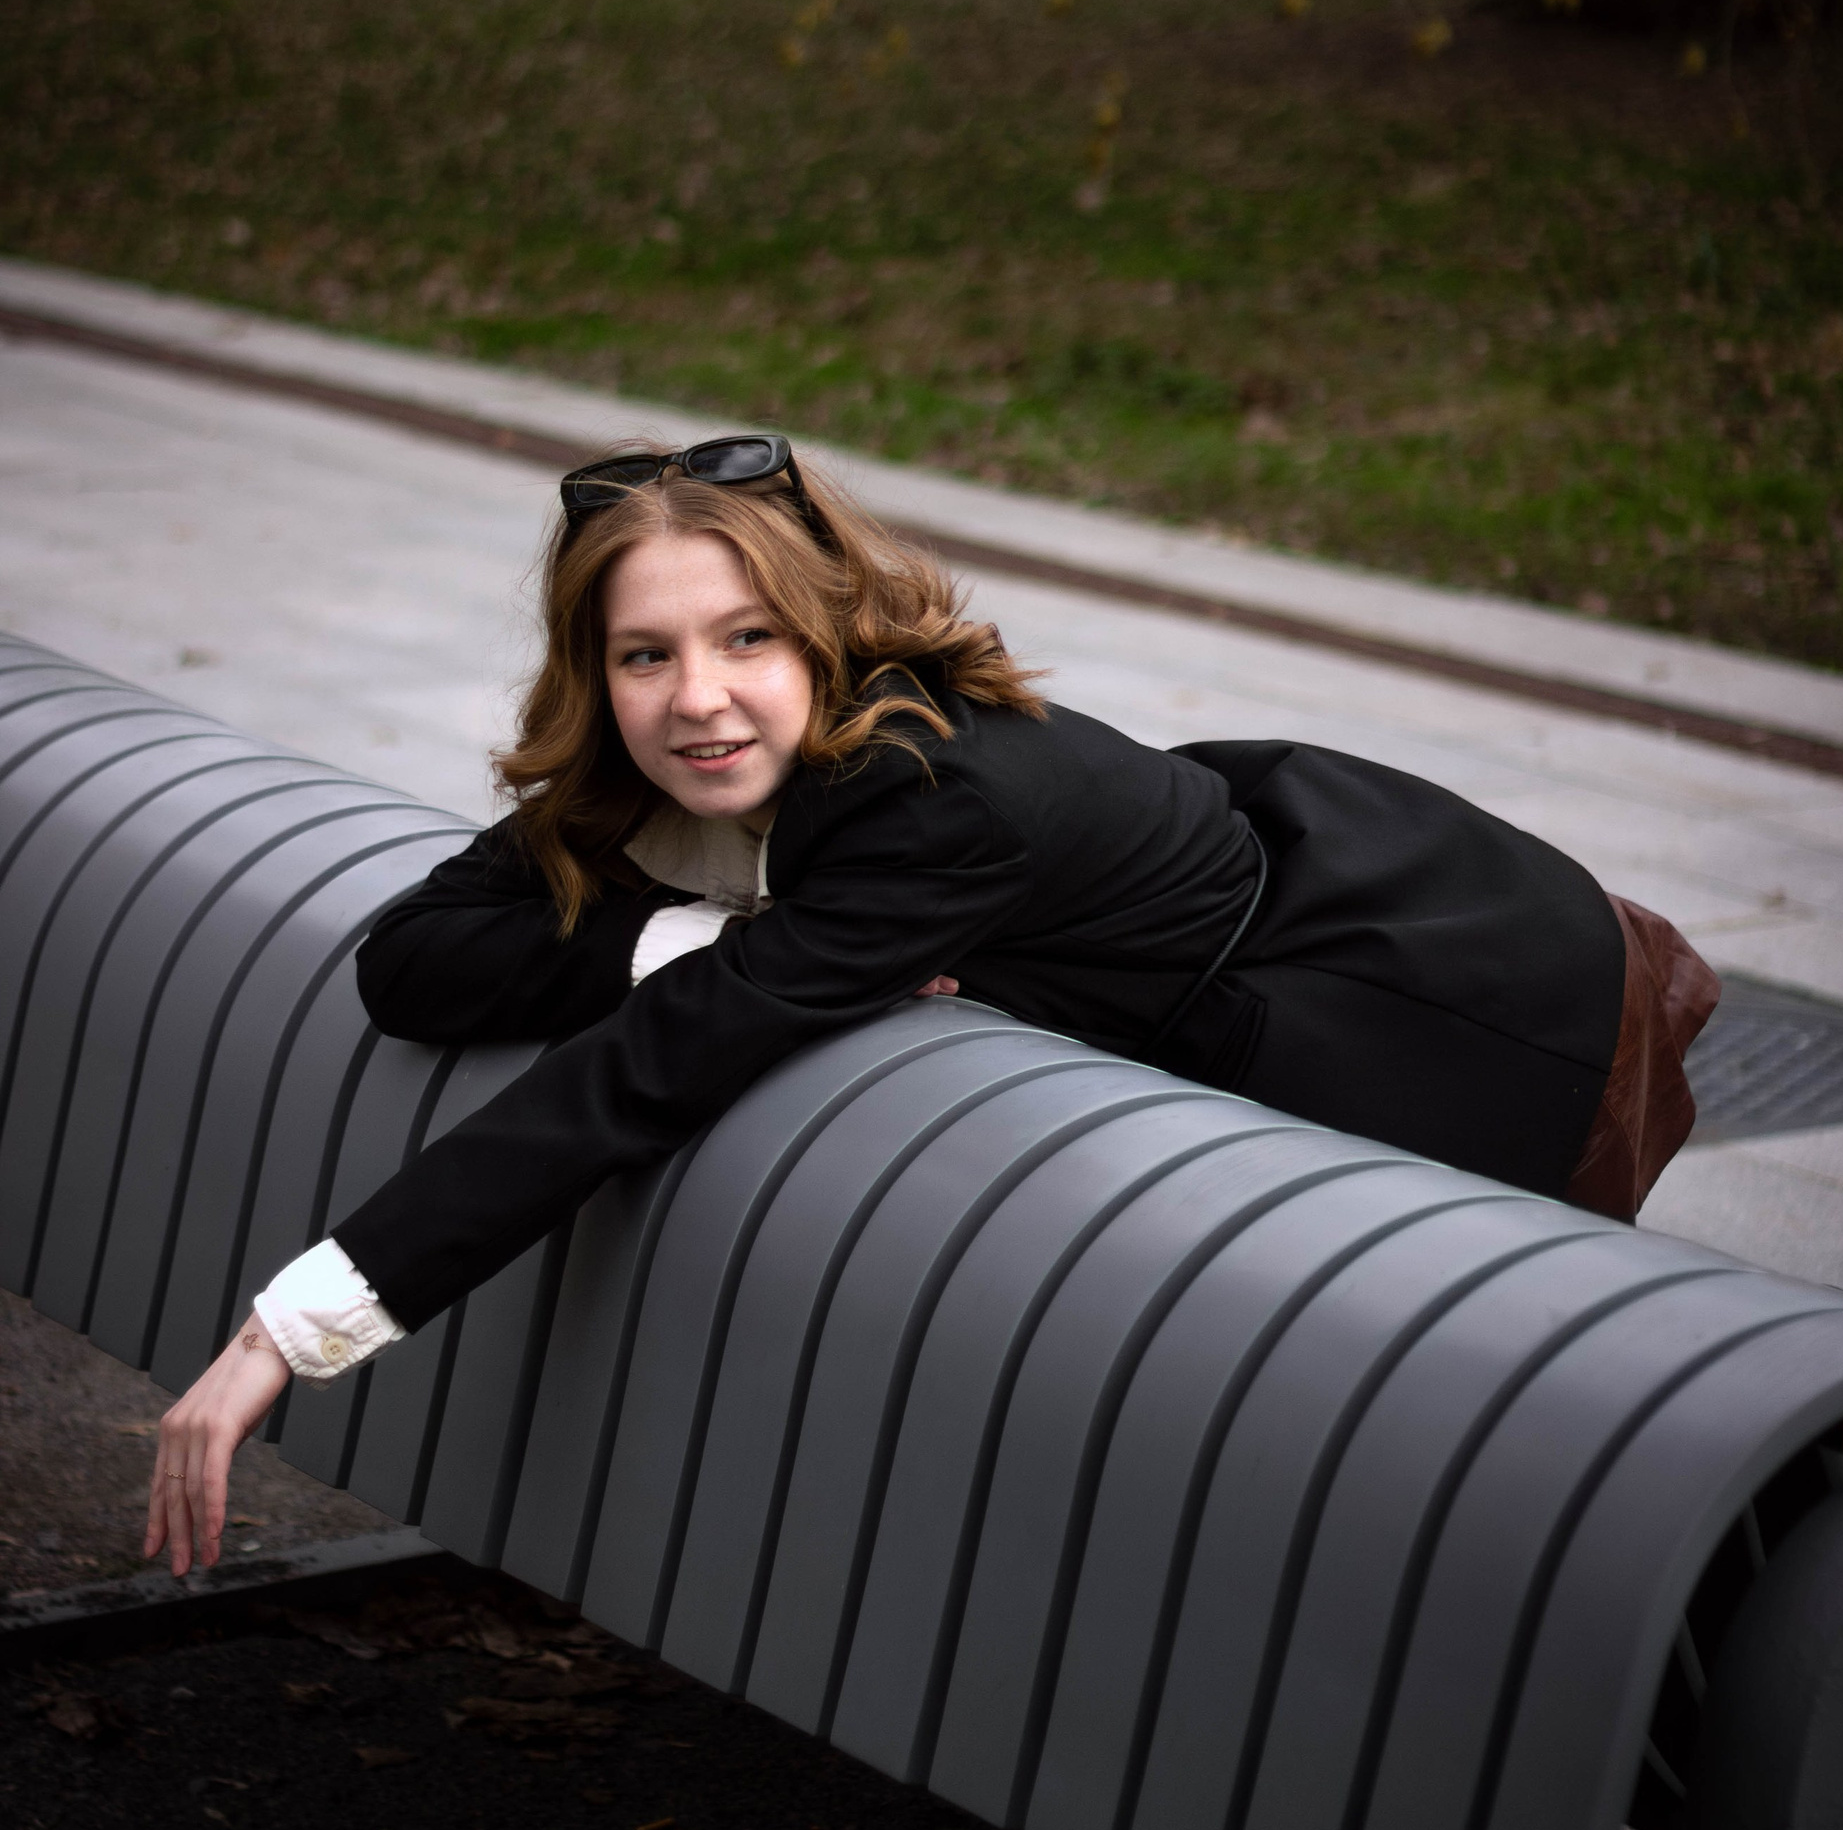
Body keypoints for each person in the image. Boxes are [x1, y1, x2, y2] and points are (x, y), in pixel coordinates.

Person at [146, 433, 1719, 1576]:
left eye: (748, 637)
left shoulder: (926, 796)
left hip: (1440, 997)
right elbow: (414, 957)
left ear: (824, 628)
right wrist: (690, 929)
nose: (698, 695)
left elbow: (642, 1075)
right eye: (645, 654)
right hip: (1220, 945)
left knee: (1517, 1411)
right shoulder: (673, 769)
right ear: (595, 671)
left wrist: (291, 1327)